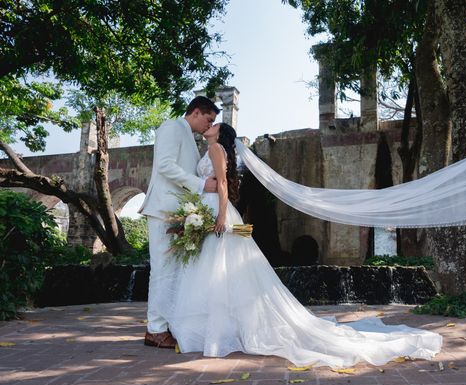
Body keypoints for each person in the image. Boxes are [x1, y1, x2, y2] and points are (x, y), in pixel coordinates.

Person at [166, 122, 442, 367]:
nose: (210, 126)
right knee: (220, 272)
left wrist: (222, 217)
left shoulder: (216, 150)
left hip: (219, 214)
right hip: (212, 211)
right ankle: (218, 330)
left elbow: (223, 183)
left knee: (219, 271)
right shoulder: (214, 150)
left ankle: (214, 332)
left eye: (215, 125)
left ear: (221, 134)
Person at [139, 96, 220, 348]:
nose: (209, 126)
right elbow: (164, 166)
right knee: (163, 270)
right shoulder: (172, 127)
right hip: (164, 209)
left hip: (180, 213)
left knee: (175, 271)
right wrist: (201, 184)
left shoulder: (189, 137)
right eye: (208, 120)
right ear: (196, 112)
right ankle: (155, 329)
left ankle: (167, 325)